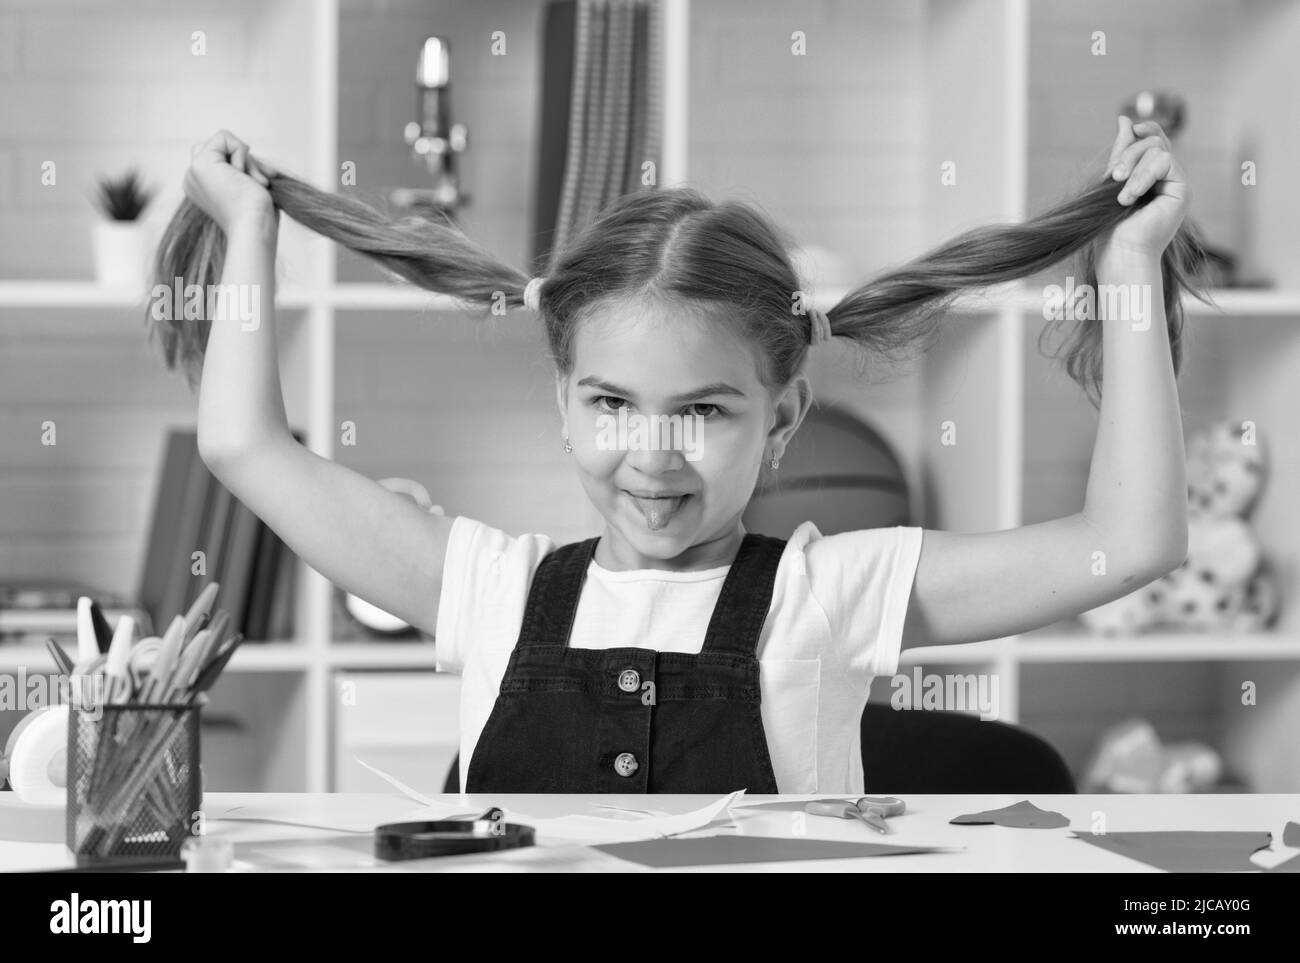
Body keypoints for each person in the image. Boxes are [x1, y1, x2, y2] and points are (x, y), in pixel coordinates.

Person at [157, 115, 1199, 793]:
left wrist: (1129, 273)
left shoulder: (829, 591)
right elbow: (244, 443)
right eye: (612, 403)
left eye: (702, 412)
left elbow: (1131, 539)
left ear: (782, 420)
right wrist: (248, 229)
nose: (651, 455)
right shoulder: (485, 589)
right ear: (564, 405)